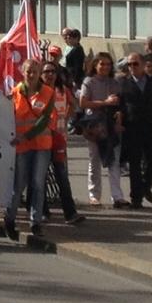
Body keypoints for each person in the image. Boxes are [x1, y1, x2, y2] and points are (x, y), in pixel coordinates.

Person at [5, 58, 56, 239]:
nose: (31, 75)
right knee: (18, 184)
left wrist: (26, 136)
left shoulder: (49, 92)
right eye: (28, 71)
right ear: (23, 72)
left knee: (37, 183)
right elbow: (6, 114)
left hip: (41, 145)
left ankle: (35, 222)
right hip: (20, 147)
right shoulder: (15, 92)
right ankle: (9, 219)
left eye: (35, 71)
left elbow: (45, 120)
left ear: (39, 72)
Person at [119, 51, 152, 207]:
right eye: (129, 64)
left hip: (151, 127)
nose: (132, 67)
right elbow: (119, 105)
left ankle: (144, 187)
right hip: (132, 128)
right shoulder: (123, 83)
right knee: (134, 164)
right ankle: (136, 198)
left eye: (135, 64)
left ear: (143, 65)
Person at [78, 52, 126, 206]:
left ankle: (117, 196)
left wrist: (119, 115)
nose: (105, 67)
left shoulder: (114, 82)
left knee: (114, 160)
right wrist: (105, 103)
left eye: (108, 64)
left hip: (111, 124)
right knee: (95, 159)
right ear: (95, 65)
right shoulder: (89, 82)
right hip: (94, 125)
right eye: (102, 64)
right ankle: (94, 194)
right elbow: (83, 103)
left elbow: (120, 104)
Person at [40, 60, 84, 225]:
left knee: (62, 177)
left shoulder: (62, 90)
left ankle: (70, 213)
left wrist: (66, 117)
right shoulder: (37, 91)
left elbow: (74, 104)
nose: (49, 75)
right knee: (41, 177)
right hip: (41, 139)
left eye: (52, 71)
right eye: (46, 72)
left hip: (59, 139)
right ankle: (43, 211)